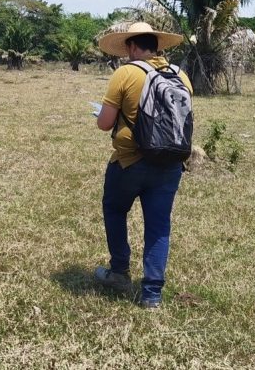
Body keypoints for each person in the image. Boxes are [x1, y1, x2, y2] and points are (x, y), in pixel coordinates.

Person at [93, 22, 192, 308]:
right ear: (157, 45)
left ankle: (120, 272)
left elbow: (105, 124)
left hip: (129, 162)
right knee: (159, 226)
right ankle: (152, 295)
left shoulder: (126, 73)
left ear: (133, 46)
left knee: (114, 209)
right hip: (170, 163)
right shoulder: (180, 75)